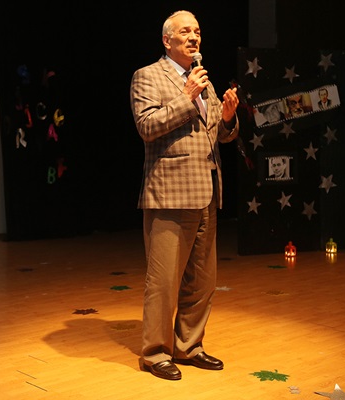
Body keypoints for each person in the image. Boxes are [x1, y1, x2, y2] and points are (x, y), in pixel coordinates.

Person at [129, 10, 239, 381]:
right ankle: (155, 353)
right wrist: (186, 96)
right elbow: (147, 126)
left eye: (198, 32)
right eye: (185, 32)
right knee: (164, 282)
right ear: (167, 40)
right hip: (170, 193)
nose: (194, 38)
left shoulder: (203, 80)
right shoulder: (148, 76)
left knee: (202, 281)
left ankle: (189, 346)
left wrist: (227, 118)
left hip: (207, 190)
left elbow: (219, 134)